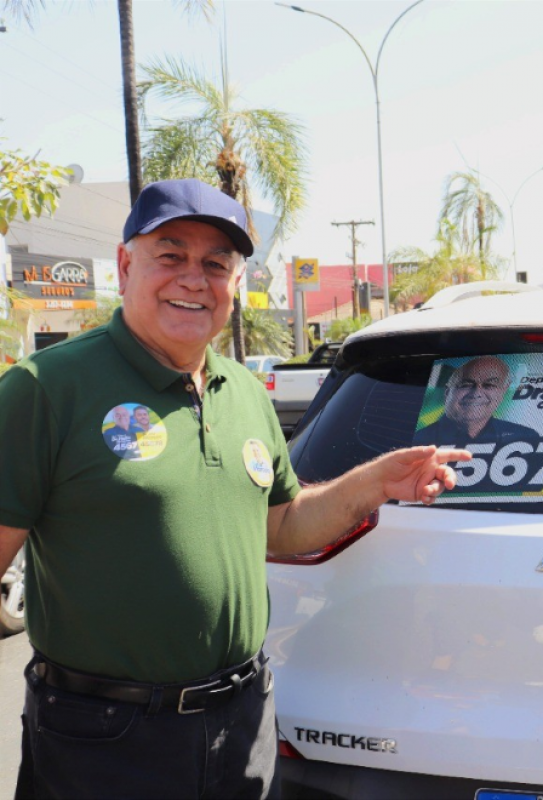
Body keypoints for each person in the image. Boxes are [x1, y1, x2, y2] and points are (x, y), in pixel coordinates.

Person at [0, 178, 471, 799]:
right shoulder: (45, 388)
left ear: (235, 284)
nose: (194, 279)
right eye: (170, 256)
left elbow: (281, 525)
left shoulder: (244, 392)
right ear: (124, 265)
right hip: (104, 736)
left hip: (242, 722)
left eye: (216, 264)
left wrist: (374, 483)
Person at [412, 355, 539, 446]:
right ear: (447, 393)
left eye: (489, 385)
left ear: (502, 392)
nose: (476, 393)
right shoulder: (418, 443)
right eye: (465, 384)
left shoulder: (525, 438)